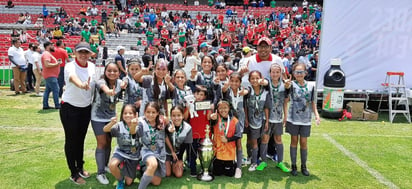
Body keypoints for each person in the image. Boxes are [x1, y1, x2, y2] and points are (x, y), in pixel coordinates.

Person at [60, 42, 95, 185]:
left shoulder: (92, 67)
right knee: (71, 140)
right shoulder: (70, 66)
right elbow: (73, 78)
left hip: (85, 108)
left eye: (86, 52)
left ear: (90, 54)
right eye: (80, 52)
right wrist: (81, 85)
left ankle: (80, 166)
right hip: (70, 108)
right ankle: (73, 172)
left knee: (80, 139)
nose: (83, 55)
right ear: (75, 53)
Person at [91, 62, 126, 185]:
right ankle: (100, 173)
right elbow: (103, 88)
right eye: (109, 71)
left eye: (115, 71)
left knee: (109, 142)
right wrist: (109, 91)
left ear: (119, 72)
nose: (112, 73)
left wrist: (124, 83)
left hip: (111, 117)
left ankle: (105, 166)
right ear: (105, 72)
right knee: (101, 143)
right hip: (98, 117)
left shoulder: (119, 82)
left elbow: (126, 81)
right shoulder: (101, 82)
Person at [285, 62, 320, 176]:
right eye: (296, 72)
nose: (299, 74)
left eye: (301, 72)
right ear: (293, 73)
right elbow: (286, 99)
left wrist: (317, 115)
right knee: (294, 141)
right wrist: (285, 117)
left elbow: (313, 102)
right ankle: (293, 165)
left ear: (305, 73)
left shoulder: (311, 86)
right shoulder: (291, 85)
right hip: (293, 119)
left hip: (305, 119)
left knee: (304, 142)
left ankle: (304, 166)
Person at [136, 102, 172, 189]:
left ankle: (144, 170)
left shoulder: (162, 121)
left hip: (159, 152)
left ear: (158, 113)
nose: (150, 115)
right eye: (148, 112)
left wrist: (170, 127)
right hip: (146, 150)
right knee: (153, 164)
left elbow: (166, 133)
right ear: (144, 112)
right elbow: (134, 132)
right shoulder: (140, 122)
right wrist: (134, 126)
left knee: (157, 182)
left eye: (153, 112)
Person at [104, 105, 140, 189]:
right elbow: (105, 129)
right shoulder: (119, 125)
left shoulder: (139, 125)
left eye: (130, 113)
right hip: (121, 152)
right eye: (125, 113)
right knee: (112, 165)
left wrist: (134, 125)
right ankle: (120, 180)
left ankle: (125, 166)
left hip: (133, 155)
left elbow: (133, 132)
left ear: (135, 115)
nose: (127, 115)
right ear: (122, 115)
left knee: (129, 182)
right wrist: (112, 123)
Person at [265, 63, 291, 173]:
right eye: (273, 72)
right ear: (270, 73)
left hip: (278, 117)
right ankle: (263, 161)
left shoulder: (284, 85)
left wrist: (285, 116)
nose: (275, 74)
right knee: (265, 139)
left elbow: (285, 102)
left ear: (281, 73)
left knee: (278, 139)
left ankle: (280, 162)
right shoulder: (266, 84)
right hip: (266, 117)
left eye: (277, 72)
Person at [222, 72, 248, 178]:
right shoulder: (227, 91)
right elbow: (223, 90)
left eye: (236, 81)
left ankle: (238, 168)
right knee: (228, 142)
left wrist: (246, 118)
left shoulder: (243, 92)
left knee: (238, 143)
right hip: (228, 121)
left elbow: (245, 106)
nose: (234, 83)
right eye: (232, 81)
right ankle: (229, 161)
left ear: (240, 82)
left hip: (240, 121)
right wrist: (226, 85)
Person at [244, 70, 270, 171]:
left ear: (261, 78)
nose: (255, 80)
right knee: (253, 142)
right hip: (252, 120)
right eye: (252, 78)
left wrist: (267, 121)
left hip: (263, 120)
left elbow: (266, 107)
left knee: (263, 140)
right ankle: (253, 162)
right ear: (249, 80)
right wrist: (246, 118)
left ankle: (262, 160)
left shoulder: (265, 92)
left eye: (257, 78)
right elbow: (245, 107)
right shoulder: (248, 91)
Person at [209, 101, 242, 177]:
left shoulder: (234, 121)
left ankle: (236, 165)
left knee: (229, 174)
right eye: (220, 108)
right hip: (218, 153)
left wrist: (228, 140)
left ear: (229, 108)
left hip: (229, 153)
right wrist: (212, 119)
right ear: (217, 109)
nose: (223, 110)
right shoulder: (216, 117)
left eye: (225, 108)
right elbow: (211, 126)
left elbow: (238, 135)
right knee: (217, 173)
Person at [186, 87, 211, 177]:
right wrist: (188, 108)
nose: (199, 97)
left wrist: (210, 110)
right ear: (194, 94)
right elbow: (185, 117)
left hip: (204, 134)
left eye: (201, 95)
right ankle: (193, 170)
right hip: (194, 134)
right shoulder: (190, 104)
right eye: (197, 94)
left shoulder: (206, 105)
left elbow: (208, 118)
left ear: (204, 97)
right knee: (193, 153)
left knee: (204, 154)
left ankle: (204, 168)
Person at [165, 105, 193, 177]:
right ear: (170, 117)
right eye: (173, 116)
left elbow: (186, 145)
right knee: (167, 174)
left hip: (177, 153)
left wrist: (180, 159)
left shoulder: (188, 128)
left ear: (183, 116)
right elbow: (165, 137)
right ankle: (168, 164)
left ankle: (174, 164)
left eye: (179, 115)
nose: (176, 118)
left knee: (178, 175)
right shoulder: (168, 125)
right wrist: (169, 130)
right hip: (167, 153)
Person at [41, 41, 61, 109]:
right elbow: (47, 64)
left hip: (50, 75)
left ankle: (45, 105)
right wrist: (57, 64)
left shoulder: (47, 54)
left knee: (48, 90)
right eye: (52, 45)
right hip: (51, 75)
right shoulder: (46, 54)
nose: (53, 47)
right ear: (48, 46)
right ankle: (57, 105)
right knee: (56, 89)